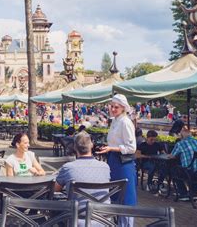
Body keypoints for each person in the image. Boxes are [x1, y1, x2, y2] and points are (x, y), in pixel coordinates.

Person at [97, 94, 137, 227]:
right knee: (115, 197)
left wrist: (112, 149)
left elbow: (131, 148)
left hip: (123, 164)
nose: (113, 109)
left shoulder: (125, 122)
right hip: (113, 161)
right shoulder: (115, 121)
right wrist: (108, 148)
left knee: (126, 199)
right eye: (112, 106)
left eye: (116, 107)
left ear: (123, 108)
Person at [55, 132, 111, 226]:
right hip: (104, 218)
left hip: (78, 218)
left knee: (55, 209)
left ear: (74, 147)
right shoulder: (105, 167)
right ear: (92, 145)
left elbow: (55, 189)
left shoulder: (68, 167)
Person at [168, 127, 197, 200]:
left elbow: (171, 156)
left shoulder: (180, 144)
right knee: (194, 167)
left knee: (174, 170)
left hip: (191, 173)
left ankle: (183, 194)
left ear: (181, 136)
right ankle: (194, 193)